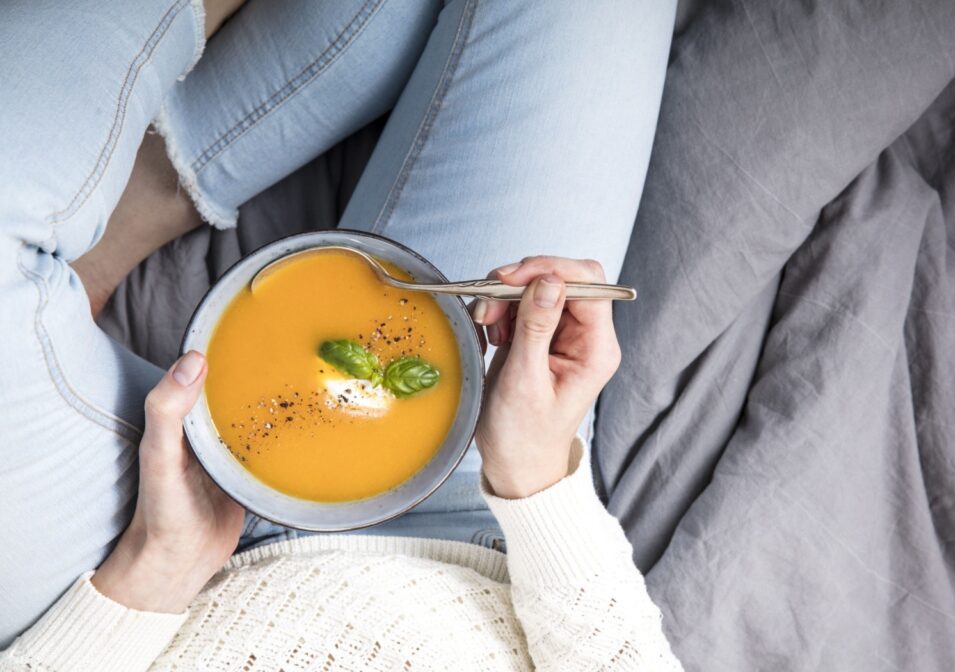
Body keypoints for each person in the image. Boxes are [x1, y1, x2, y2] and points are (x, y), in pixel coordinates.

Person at [0, 0, 681, 668]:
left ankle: (145, 150)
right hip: (464, 506)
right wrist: (534, 479)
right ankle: (144, 194)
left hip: (143, 584)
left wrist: (154, 572)